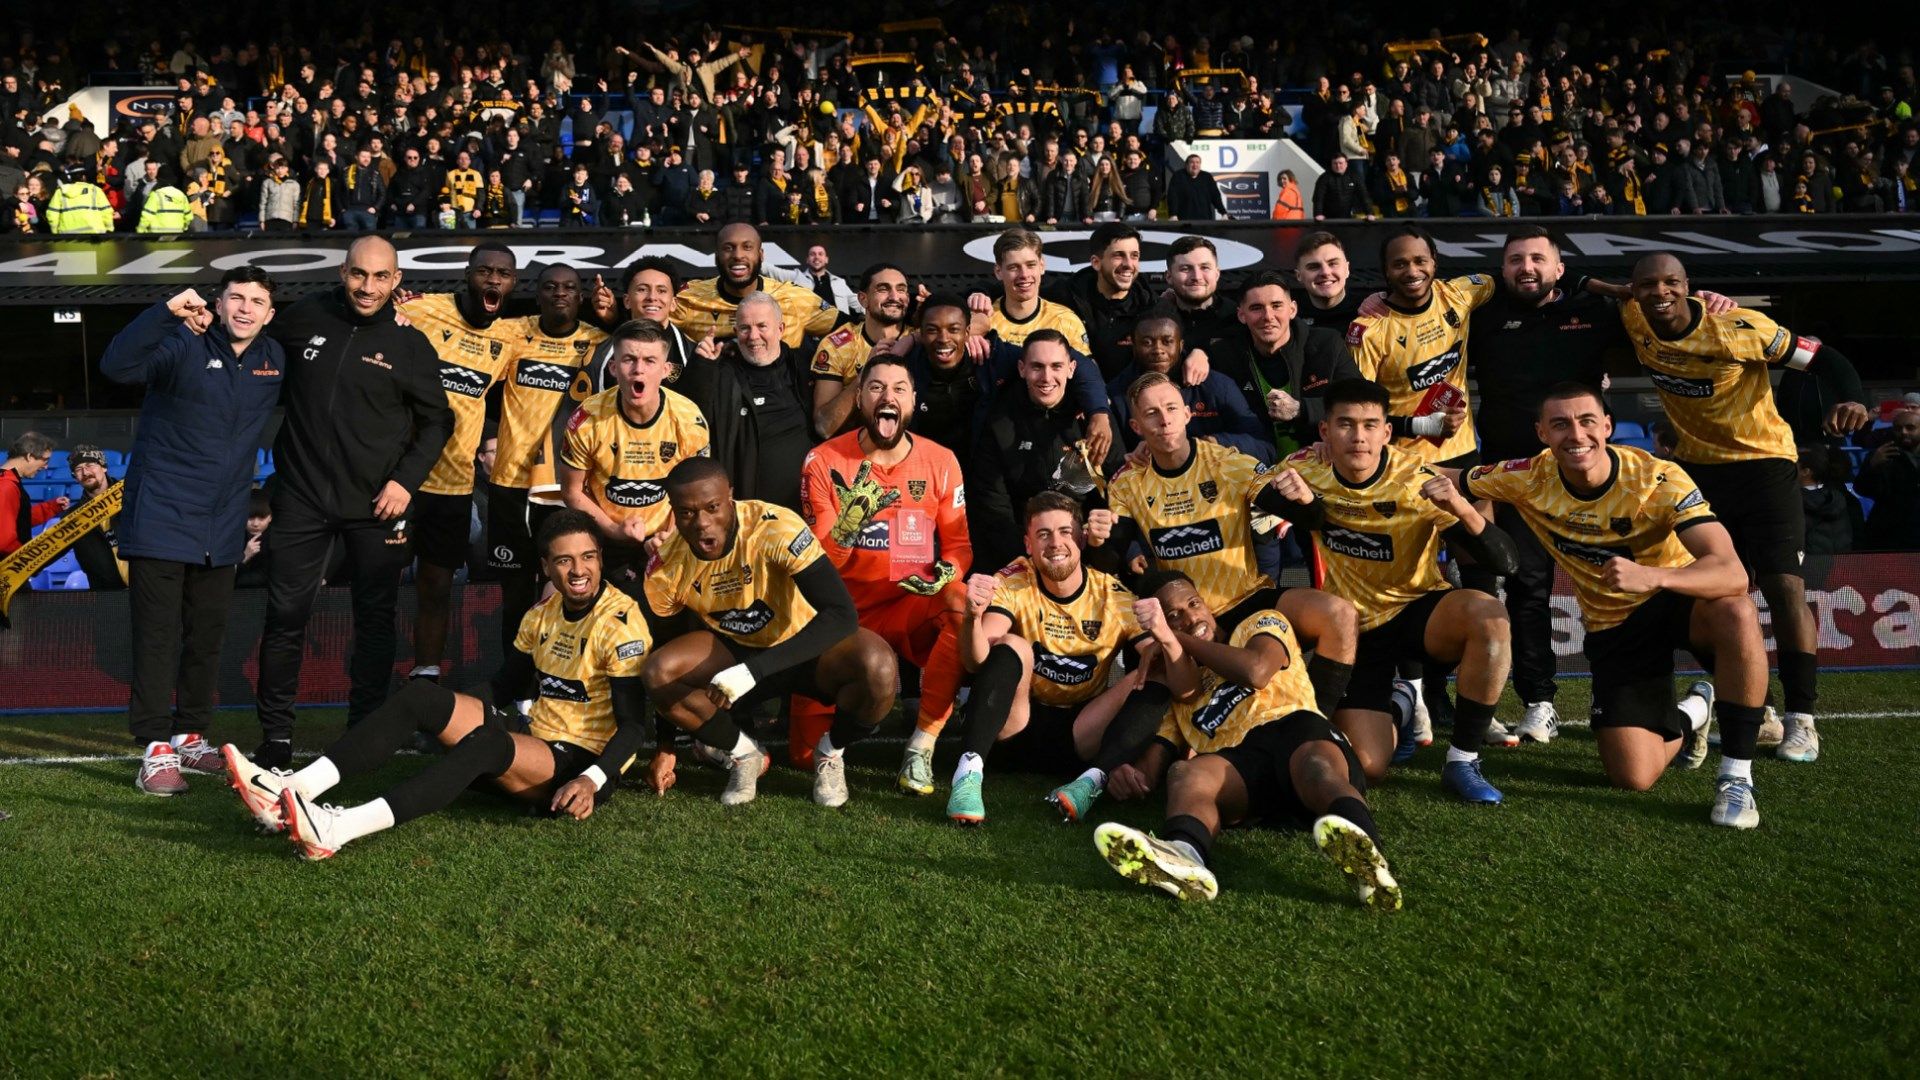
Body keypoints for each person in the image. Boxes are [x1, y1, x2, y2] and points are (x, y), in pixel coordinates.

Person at [222, 511, 657, 858]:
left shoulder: (621, 622)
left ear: (600, 558)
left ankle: (337, 829)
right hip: (537, 741)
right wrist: (447, 715)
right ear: (546, 566)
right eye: (564, 560)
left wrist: (593, 780)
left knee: (487, 740)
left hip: (579, 769)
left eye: (588, 557)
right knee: (422, 696)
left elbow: (634, 727)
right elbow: (504, 687)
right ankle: (293, 789)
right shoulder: (540, 615)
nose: (578, 570)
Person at [1458, 384, 1771, 828]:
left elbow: (1733, 573)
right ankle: (1695, 709)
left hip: (1678, 598)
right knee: (1633, 776)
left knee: (1736, 609)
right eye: (1560, 424)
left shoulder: (1657, 477)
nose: (1576, 434)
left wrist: (1655, 576)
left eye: (1587, 421)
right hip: (1615, 623)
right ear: (1542, 433)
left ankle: (1736, 779)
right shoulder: (1526, 475)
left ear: (1607, 426)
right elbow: (1451, 477)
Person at [1622, 253, 1871, 764]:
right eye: (1648, 285)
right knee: (1702, 593)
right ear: (1635, 290)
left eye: (1672, 282)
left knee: (1783, 585)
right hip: (1697, 470)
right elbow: (1604, 290)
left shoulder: (1739, 326)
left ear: (1689, 287)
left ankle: (1803, 720)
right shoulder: (1632, 314)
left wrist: (1854, 398)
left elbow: (1822, 357)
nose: (1660, 292)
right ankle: (1763, 714)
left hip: (1763, 465)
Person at [1263, 379, 1519, 801]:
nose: (1358, 436)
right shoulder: (1302, 469)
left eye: (1370, 425)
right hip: (1354, 631)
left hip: (1420, 613)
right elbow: (1251, 490)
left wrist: (1459, 506)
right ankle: (1401, 704)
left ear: (1387, 431)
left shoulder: (1416, 479)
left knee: (1489, 616)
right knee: (1367, 766)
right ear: (1325, 431)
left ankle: (1462, 759)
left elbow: (1505, 563)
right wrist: (1300, 505)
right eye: (1345, 424)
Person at [255, 237, 452, 768]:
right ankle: (275, 737)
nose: (368, 287)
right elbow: (252, 357)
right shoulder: (304, 316)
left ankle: (363, 730)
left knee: (375, 619)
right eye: (358, 275)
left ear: (396, 280)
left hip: (378, 506)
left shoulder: (412, 344)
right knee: (285, 616)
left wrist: (405, 482)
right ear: (343, 272)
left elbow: (439, 421)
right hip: (301, 498)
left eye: (380, 277)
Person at [1092, 571, 1399, 909]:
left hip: (1296, 731)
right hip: (1244, 768)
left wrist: (1179, 639)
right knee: (1186, 773)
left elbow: (1256, 670)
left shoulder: (1258, 623)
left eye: (1193, 604)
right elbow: (1158, 755)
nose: (1189, 617)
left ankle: (1370, 861)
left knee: (1316, 768)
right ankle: (1184, 855)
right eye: (1172, 616)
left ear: (1208, 605)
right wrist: (1130, 774)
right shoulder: (1181, 686)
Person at [99, 273, 285, 793]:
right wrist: (167, 311)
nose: (246, 309)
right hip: (161, 515)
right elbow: (117, 366)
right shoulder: (183, 340)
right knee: (157, 638)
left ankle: (190, 736)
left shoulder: (275, 357)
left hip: (222, 524)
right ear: (217, 303)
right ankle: (156, 749)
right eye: (236, 299)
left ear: (270, 313)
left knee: (206, 639)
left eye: (258, 302)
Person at [641, 457, 896, 808]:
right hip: (735, 654)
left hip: (806, 649)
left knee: (879, 667)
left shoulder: (774, 528)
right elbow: (665, 648)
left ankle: (831, 752)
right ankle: (745, 755)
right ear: (673, 511)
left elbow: (842, 615)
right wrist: (665, 747)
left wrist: (753, 671)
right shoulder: (666, 566)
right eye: (686, 513)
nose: (701, 523)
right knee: (659, 671)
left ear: (730, 496)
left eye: (713, 507)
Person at [1093, 373, 1360, 703]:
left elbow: (1311, 519)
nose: (1164, 420)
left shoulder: (1228, 464)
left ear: (1188, 414)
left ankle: (1322, 716)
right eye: (1151, 414)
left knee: (1339, 614)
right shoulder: (1127, 482)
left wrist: (1305, 500)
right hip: (1183, 617)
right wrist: (1096, 541)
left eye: (1171, 408)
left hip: (1246, 601)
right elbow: (1111, 558)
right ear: (1136, 428)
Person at [1462, 227, 1630, 744]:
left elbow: (1662, 313)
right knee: (1527, 590)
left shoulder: (1596, 314)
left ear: (1560, 268)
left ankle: (1620, 698)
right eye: (1515, 260)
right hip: (1516, 480)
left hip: (1589, 476)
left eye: (1538, 258)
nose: (1526, 267)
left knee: (1610, 590)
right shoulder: (1482, 315)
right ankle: (1539, 701)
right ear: (1502, 269)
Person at [798, 354, 971, 791]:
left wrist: (944, 574)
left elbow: (958, 547)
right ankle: (850, 718)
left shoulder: (942, 461)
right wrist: (848, 525)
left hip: (906, 606)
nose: (887, 397)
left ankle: (922, 745)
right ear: (859, 398)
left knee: (959, 600)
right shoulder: (823, 460)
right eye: (876, 388)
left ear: (913, 401)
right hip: (840, 613)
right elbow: (816, 565)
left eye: (898, 389)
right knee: (800, 755)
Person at [948, 491, 1169, 826]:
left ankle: (1092, 782)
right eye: (1043, 534)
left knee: (1155, 671)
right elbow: (977, 661)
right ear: (1028, 544)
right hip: (1015, 730)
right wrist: (971, 617)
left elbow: (1169, 670)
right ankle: (967, 773)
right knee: (1011, 645)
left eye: (1065, 532)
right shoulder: (1012, 580)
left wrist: (1166, 637)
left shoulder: (1113, 594)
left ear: (1081, 538)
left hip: (1081, 738)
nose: (1055, 543)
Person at [396, 244, 523, 684]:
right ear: (467, 274)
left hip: (452, 484)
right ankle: (370, 691)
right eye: (485, 271)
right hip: (397, 478)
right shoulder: (422, 310)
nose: (493, 280)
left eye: (502, 274)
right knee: (377, 587)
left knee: (436, 587)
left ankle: (425, 682)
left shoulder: (510, 337)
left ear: (512, 283)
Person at [487, 265, 609, 658]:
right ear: (536, 294)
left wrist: (613, 315)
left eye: (570, 288)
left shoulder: (598, 344)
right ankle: (517, 690)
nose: (560, 293)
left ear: (581, 296)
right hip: (510, 483)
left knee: (567, 587)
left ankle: (564, 674)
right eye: (551, 287)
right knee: (515, 591)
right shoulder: (512, 332)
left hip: (566, 486)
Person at [558, 319, 711, 605]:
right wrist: (615, 530)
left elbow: (698, 491)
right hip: (607, 535)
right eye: (629, 359)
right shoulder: (587, 419)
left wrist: (672, 535)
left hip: (671, 535)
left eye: (650, 361)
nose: (638, 369)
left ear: (666, 370)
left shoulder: (689, 419)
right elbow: (572, 491)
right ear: (614, 369)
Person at [969, 331, 1125, 572]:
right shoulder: (1000, 420)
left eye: (1056, 366)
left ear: (1071, 369)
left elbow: (1120, 487)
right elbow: (993, 504)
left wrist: (1099, 538)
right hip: (1023, 546)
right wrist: (1024, 560)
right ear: (1021, 369)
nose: (1047, 377)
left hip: (1087, 542)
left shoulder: (1096, 422)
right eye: (1037, 367)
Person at [1343, 226, 1486, 469]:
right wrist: (1421, 425)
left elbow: (1513, 283)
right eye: (1400, 264)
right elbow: (1357, 411)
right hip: (1402, 464)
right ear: (1386, 271)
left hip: (1464, 450)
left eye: (1420, 261)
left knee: (1480, 508)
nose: (1412, 271)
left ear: (1434, 262)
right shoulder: (1368, 331)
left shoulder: (1460, 295)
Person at [670, 292, 814, 510]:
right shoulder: (720, 371)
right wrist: (701, 369)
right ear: (736, 332)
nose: (753, 336)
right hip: (741, 512)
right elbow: (687, 421)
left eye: (762, 326)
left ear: (781, 329)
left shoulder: (804, 368)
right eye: (745, 328)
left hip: (801, 512)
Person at [1205, 269, 1362, 460]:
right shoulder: (1224, 356)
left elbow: (1359, 403)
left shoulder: (1327, 344)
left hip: (1320, 465)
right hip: (1252, 473)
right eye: (1256, 308)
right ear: (1241, 315)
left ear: (1292, 309)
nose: (1268, 316)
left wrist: (1300, 409)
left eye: (1276, 305)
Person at [1102, 318, 1271, 462]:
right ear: (1134, 346)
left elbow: (1265, 449)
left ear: (1181, 345)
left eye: (1167, 342)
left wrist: (1216, 443)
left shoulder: (1217, 386)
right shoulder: (1117, 394)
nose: (1158, 350)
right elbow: (1113, 461)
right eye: (1147, 343)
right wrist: (1135, 460)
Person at [670, 223, 839, 349]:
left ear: (761, 255)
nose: (738, 255)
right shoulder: (689, 298)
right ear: (716, 257)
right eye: (728, 248)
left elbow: (855, 330)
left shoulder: (795, 298)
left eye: (747, 247)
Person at [809, 264, 911, 438]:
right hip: (854, 453)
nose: (895, 297)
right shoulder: (837, 345)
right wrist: (865, 374)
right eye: (883, 289)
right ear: (863, 299)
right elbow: (824, 427)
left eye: (901, 290)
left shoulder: (923, 339)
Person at [1047, 221, 1156, 380]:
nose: (1128, 264)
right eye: (1118, 255)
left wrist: (1198, 352)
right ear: (1096, 262)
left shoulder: (1150, 304)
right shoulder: (1068, 294)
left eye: (1134, 256)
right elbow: (1021, 286)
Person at [63, 446, 125, 590]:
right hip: (104, 594)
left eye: (90, 465)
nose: (85, 473)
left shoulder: (130, 498)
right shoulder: (73, 516)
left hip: (143, 588)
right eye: (78, 469)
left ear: (103, 467)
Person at [1858, 410, 1920, 550]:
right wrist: (1872, 466)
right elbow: (1862, 488)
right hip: (1889, 533)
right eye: (1898, 428)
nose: (1903, 432)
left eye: (1910, 428)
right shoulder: (1881, 455)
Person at [0, 432, 66, 557]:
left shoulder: (7, 482)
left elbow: (17, 519)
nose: (46, 467)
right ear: (29, 456)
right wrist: (28, 559)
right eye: (45, 460)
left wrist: (51, 507)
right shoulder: (6, 486)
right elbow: (3, 539)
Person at [1165, 154, 1227, 220]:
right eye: (1192, 162)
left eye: (1197, 162)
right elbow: (1173, 197)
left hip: (1205, 220)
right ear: (1186, 165)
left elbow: (1215, 196)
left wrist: (1223, 213)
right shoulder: (1178, 176)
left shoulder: (1207, 177)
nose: (1195, 165)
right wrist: (1173, 214)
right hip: (1184, 220)